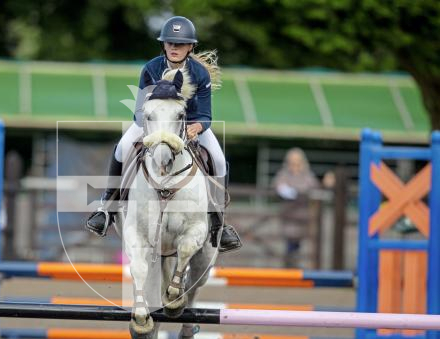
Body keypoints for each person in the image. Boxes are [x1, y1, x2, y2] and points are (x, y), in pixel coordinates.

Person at [85, 16, 241, 252]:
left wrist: (196, 128)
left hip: (190, 126)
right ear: (164, 45)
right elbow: (139, 110)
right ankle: (106, 207)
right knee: (123, 147)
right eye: (170, 43)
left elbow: (206, 115)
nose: (174, 48)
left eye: (180, 44)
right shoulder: (151, 68)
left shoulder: (200, 74)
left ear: (191, 47)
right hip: (153, 124)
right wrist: (153, 129)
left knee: (218, 159)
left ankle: (219, 223)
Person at [272, 148, 319, 267]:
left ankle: (292, 265)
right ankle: (290, 266)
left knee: (297, 244)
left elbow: (313, 187)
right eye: (292, 162)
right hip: (288, 217)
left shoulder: (308, 175)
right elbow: (277, 185)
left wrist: (296, 192)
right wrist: (285, 190)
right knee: (290, 243)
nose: (294, 165)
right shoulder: (284, 174)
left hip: (303, 218)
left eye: (297, 162)